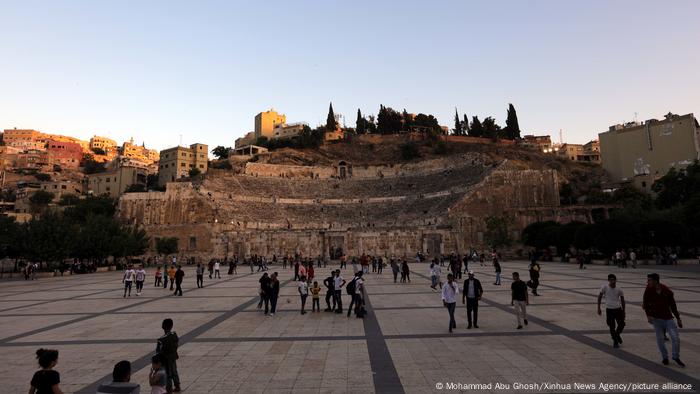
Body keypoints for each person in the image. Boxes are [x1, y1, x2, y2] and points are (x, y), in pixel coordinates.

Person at [643, 273, 685, 367]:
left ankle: (675, 356)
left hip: (668, 318)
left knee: (675, 338)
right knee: (660, 339)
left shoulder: (666, 290)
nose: (648, 282)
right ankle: (665, 357)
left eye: (649, 280)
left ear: (655, 281)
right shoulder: (648, 289)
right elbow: (645, 302)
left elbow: (673, 305)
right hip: (656, 319)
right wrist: (648, 315)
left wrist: (678, 318)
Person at [597, 274, 625, 348]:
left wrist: (623, 311)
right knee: (611, 326)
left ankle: (617, 334)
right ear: (608, 280)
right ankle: (615, 341)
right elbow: (599, 297)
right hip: (609, 309)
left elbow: (622, 300)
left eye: (614, 280)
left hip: (618, 309)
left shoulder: (619, 289)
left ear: (616, 280)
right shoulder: (605, 287)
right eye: (611, 280)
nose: (613, 281)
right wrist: (599, 308)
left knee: (622, 324)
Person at [156, 318, 180, 392]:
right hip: (173, 357)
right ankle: (177, 386)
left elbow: (158, 351)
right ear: (171, 326)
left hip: (165, 359)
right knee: (174, 371)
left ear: (163, 327)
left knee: (168, 374)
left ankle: (169, 389)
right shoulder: (174, 335)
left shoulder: (161, 340)